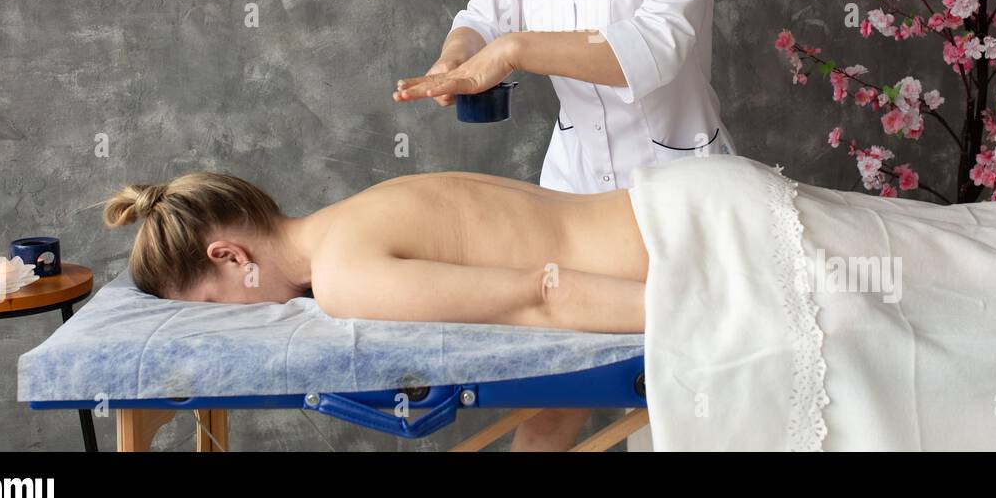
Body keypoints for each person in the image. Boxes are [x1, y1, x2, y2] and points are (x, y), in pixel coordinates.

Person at [391, 0, 736, 449]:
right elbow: (485, 12)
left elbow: (658, 48)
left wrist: (514, 51)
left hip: (672, 189)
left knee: (681, 389)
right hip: (570, 193)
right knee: (554, 391)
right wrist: (456, 61)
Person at [101, 167, 649, 335]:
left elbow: (539, 296)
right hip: (675, 203)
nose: (230, 318)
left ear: (230, 258)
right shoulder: (359, 208)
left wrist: (714, 312)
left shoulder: (342, 276)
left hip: (688, 248)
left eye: (214, 306)